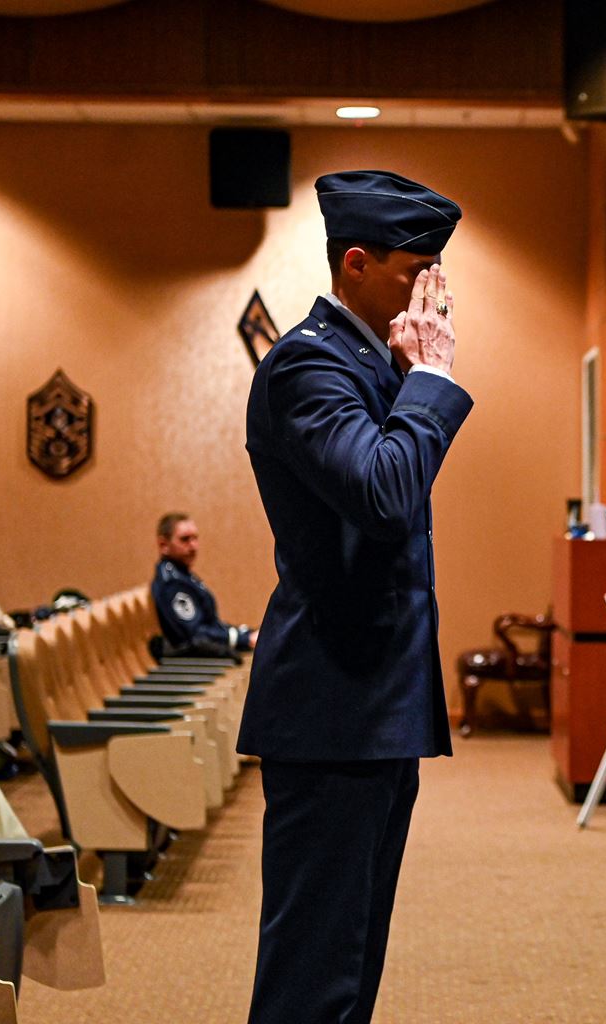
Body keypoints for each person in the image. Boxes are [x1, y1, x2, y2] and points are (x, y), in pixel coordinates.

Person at [238, 170, 474, 1024]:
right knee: (314, 976)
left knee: (352, 965)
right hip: (332, 708)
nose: (436, 293)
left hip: (372, 708)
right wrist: (434, 382)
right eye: (419, 270)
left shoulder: (373, 364)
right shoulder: (309, 364)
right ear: (355, 264)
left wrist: (416, 379)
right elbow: (384, 493)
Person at [150, 512, 254, 653]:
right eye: (185, 539)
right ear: (163, 545)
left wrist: (244, 634)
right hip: (193, 662)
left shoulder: (181, 575)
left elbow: (209, 625)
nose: (193, 546)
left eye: (195, 538)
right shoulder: (173, 583)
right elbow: (196, 635)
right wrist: (243, 640)